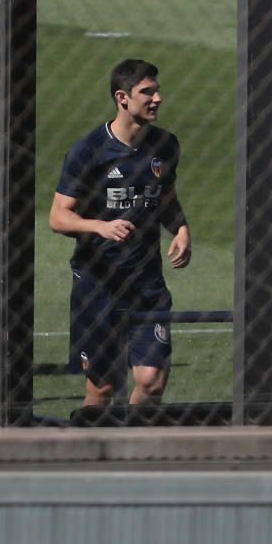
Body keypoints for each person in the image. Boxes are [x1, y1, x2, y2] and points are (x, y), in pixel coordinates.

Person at [49, 59, 191, 408]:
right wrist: (99, 225)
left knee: (152, 382)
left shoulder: (166, 146)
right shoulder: (89, 151)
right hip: (98, 286)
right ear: (122, 98)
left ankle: (134, 455)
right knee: (103, 390)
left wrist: (181, 228)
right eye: (147, 92)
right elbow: (58, 217)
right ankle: (88, 457)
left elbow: (165, 198)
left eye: (157, 90)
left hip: (146, 283)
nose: (157, 98)